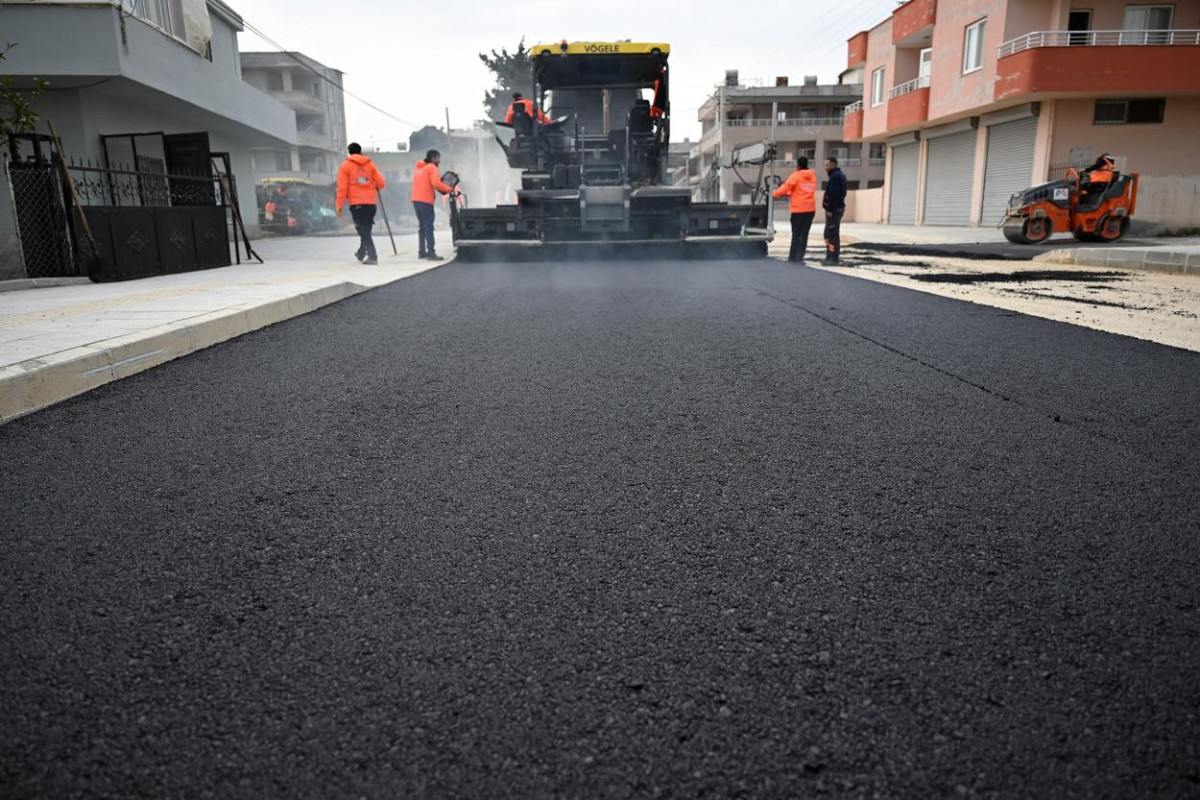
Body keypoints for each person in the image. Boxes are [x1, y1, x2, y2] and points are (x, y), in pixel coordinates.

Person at [335, 142, 385, 264]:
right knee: (366, 229)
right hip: (371, 203)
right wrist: (372, 184)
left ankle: (372, 256)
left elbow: (342, 188)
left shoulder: (345, 166)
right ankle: (361, 252)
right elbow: (381, 183)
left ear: (349, 152)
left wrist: (339, 205)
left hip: (357, 204)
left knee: (363, 230)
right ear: (360, 151)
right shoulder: (370, 164)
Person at [772, 156, 819, 263]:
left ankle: (792, 258)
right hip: (810, 210)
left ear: (798, 165)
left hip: (798, 210)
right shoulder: (812, 177)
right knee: (804, 235)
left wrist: (773, 193)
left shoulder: (795, 176)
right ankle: (799, 258)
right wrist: (790, 194)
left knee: (796, 235)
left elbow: (784, 189)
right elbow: (801, 191)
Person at [411, 149, 455, 261]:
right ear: (434, 158)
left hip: (416, 200)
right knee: (429, 226)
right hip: (426, 201)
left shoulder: (419, 168)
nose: (439, 161)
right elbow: (436, 183)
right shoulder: (432, 168)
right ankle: (431, 252)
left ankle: (421, 252)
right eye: (438, 158)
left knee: (422, 226)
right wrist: (449, 189)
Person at [821, 157, 848, 266]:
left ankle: (833, 258)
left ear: (833, 165)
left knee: (832, 234)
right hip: (836, 209)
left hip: (834, 210)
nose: (825, 168)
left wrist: (830, 209)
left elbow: (834, 194)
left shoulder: (835, 177)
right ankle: (829, 256)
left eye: (827, 165)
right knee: (829, 233)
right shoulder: (838, 176)